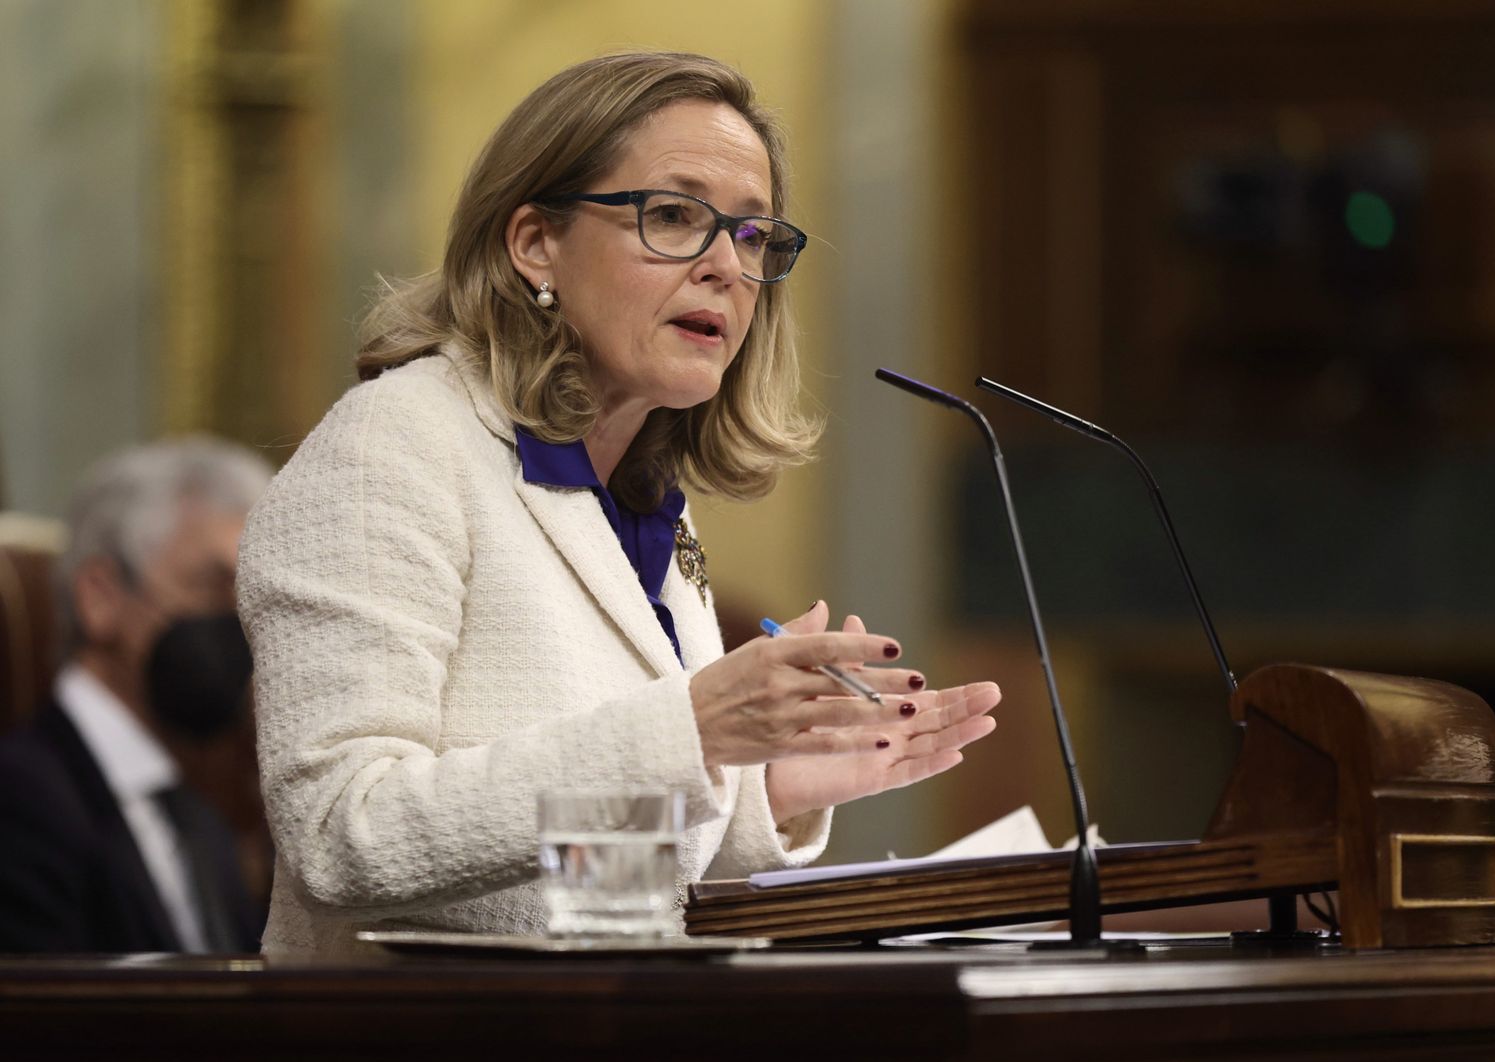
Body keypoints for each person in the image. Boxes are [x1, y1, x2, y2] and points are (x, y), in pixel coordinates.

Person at [236, 50, 1002, 957]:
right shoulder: (391, 449)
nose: (726, 264)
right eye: (675, 216)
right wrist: (692, 732)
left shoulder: (645, 499)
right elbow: (340, 836)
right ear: (534, 244)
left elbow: (579, 898)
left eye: (753, 235)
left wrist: (759, 791)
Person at [0, 437, 272, 953]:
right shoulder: (19, 800)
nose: (240, 628)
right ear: (100, 596)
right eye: (215, 588)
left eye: (252, 601)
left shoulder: (201, 823)